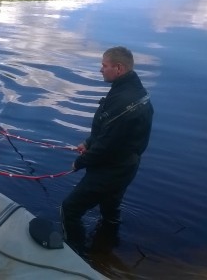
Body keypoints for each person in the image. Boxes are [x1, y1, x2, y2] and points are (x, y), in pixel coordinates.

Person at [61, 46, 154, 255]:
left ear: (118, 68)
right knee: (110, 209)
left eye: (104, 65)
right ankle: (107, 249)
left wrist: (80, 163)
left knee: (70, 209)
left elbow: (107, 144)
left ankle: (74, 255)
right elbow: (110, 130)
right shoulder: (134, 90)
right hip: (126, 166)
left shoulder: (123, 101)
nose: (100, 70)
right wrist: (89, 142)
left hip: (110, 170)